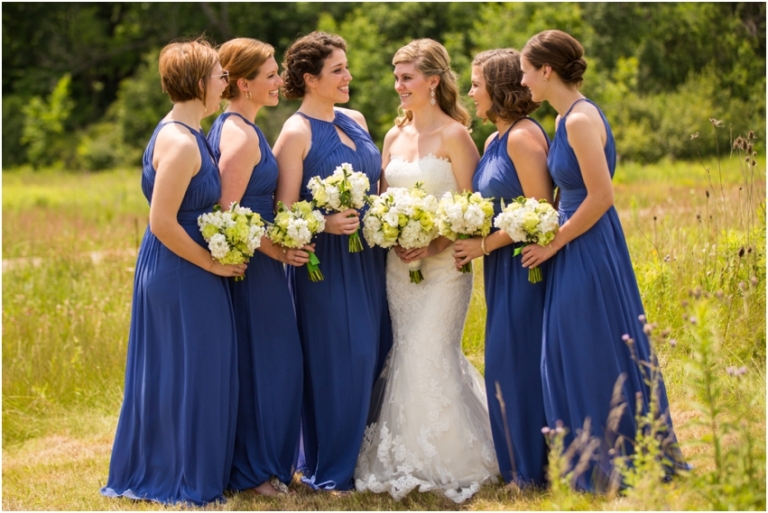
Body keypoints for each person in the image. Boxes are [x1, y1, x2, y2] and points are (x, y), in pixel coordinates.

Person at [518, 30, 687, 491]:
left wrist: (553, 243)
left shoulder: (578, 120)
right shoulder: (563, 119)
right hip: (574, 236)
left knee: (586, 342)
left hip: (586, 241)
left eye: (526, 71)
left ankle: (610, 457)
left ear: (546, 70)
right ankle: (594, 451)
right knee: (578, 342)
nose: (523, 80)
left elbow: (602, 196)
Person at [100, 38, 245, 506]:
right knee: (191, 369)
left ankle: (185, 465)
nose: (225, 83)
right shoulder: (181, 143)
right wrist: (212, 263)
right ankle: (177, 475)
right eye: (219, 76)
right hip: (181, 267)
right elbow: (161, 221)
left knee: (192, 367)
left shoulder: (187, 131)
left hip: (185, 265)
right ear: (199, 82)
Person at [354, 39, 499, 504]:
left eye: (407, 78)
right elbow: (380, 201)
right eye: (396, 78)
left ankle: (452, 459)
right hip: (399, 269)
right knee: (406, 351)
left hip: (446, 268)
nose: (398, 86)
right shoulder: (394, 136)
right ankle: (403, 457)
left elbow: (474, 209)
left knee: (430, 352)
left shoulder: (457, 136)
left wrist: (434, 241)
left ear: (433, 81)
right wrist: (391, 234)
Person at [273, 31, 392, 493]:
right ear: (310, 79)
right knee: (343, 358)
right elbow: (283, 212)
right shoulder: (296, 132)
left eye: (346, 67)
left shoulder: (356, 118)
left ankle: (366, 459)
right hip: (326, 267)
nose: (348, 76)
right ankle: (333, 465)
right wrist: (323, 224)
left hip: (370, 259)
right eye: (338, 70)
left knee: (375, 351)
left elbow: (377, 186)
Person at [207, 37, 305, 497]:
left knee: (272, 363)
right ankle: (253, 472)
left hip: (259, 261)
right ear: (243, 83)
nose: (279, 81)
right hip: (252, 270)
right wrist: (277, 251)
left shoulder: (242, 127)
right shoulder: (241, 136)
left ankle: (264, 464)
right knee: (269, 364)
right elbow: (227, 213)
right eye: (270, 75)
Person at [453, 48, 552, 487]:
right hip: (502, 268)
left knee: (519, 361)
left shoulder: (523, 136)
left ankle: (532, 469)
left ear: (499, 87)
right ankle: (518, 462)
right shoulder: (494, 138)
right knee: (504, 361)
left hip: (526, 266)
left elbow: (541, 209)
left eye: (477, 84)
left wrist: (485, 244)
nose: (471, 92)